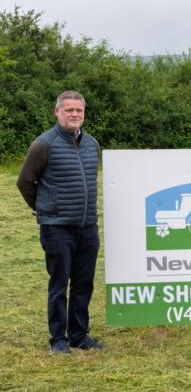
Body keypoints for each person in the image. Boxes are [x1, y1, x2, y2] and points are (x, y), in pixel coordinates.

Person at [17, 91, 104, 354]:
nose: (74, 114)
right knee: (59, 284)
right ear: (57, 112)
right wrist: (45, 208)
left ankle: (79, 335)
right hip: (57, 228)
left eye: (78, 110)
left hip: (87, 227)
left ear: (84, 113)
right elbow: (24, 182)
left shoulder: (92, 144)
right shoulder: (44, 144)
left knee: (84, 283)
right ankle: (58, 339)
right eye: (68, 110)